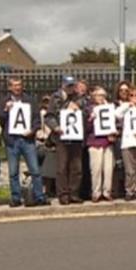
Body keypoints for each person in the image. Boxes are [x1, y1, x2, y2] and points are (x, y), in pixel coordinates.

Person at [0, 77, 48, 208]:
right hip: (12, 140)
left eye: (19, 85)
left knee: (35, 170)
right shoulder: (4, 101)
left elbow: (37, 119)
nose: (17, 87)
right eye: (15, 85)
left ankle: (39, 197)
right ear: (10, 87)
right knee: (13, 172)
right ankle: (15, 198)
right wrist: (5, 110)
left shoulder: (30, 101)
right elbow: (0, 121)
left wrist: (32, 130)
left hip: (27, 140)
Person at [46, 77, 85, 205]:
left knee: (76, 167)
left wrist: (78, 108)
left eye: (72, 85)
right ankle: (63, 195)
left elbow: (85, 113)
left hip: (75, 137)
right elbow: (49, 116)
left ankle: (74, 193)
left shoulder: (79, 98)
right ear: (63, 85)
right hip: (61, 138)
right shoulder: (55, 98)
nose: (70, 88)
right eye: (68, 85)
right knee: (62, 167)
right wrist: (56, 127)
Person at [85, 86, 116, 202]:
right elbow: (85, 128)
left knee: (108, 169)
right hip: (94, 142)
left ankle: (107, 192)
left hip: (108, 142)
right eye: (99, 95)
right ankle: (96, 192)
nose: (101, 98)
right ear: (93, 96)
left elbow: (116, 124)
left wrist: (114, 133)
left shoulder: (110, 108)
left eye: (103, 95)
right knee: (96, 169)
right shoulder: (89, 109)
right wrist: (91, 118)